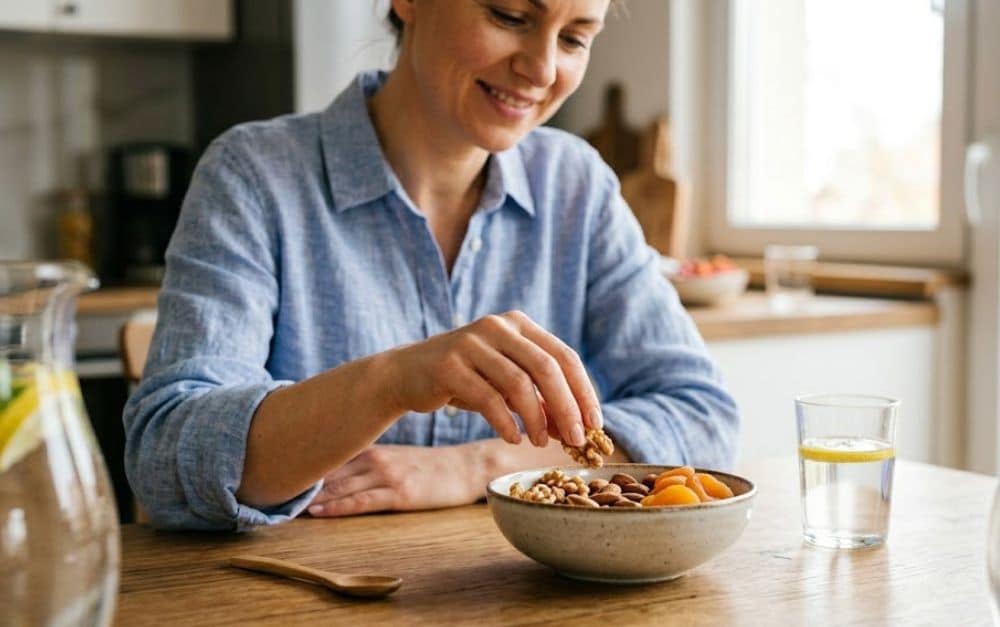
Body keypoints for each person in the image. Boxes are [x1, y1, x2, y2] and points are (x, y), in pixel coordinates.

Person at [123, 0, 739, 531]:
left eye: (575, 37)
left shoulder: (575, 185)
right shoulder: (254, 175)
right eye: (509, 16)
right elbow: (166, 456)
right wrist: (393, 380)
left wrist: (478, 466)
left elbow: (703, 416)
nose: (543, 68)